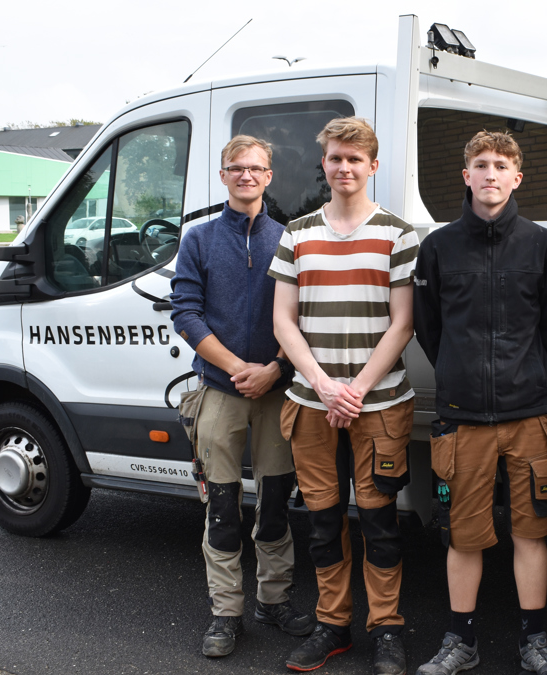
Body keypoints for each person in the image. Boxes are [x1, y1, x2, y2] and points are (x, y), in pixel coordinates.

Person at [413, 130, 547, 675]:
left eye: (501, 165)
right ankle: (461, 641)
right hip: (462, 420)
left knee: (531, 532)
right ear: (465, 176)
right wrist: (463, 374)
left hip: (530, 415)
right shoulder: (437, 247)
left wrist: (516, 374)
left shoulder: (543, 245)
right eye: (480, 164)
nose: (490, 174)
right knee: (465, 535)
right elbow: (429, 330)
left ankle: (534, 642)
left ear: (516, 178)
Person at [269, 117, 418, 675]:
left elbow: (403, 324)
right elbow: (283, 321)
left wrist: (354, 388)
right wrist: (326, 385)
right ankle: (333, 626)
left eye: (355, 159)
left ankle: (386, 628)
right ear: (324, 164)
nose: (344, 167)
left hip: (379, 405)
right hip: (312, 403)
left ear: (373, 166)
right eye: (335, 158)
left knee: (380, 521)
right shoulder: (297, 233)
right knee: (324, 521)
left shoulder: (399, 235)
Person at [170, 135, 311, 658]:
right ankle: (225, 613)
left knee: (274, 504)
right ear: (223, 175)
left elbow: (302, 318)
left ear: (269, 177)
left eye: (256, 168)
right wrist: (237, 369)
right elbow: (185, 311)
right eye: (236, 168)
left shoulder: (292, 239)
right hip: (219, 391)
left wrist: (273, 370)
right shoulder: (199, 240)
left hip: (277, 391)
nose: (246, 175)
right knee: (223, 509)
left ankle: (273, 600)